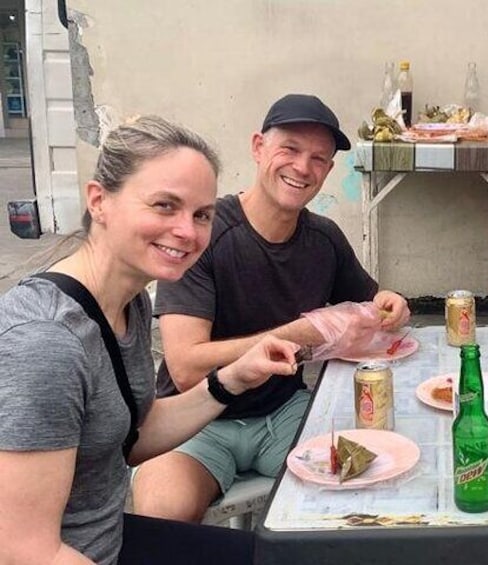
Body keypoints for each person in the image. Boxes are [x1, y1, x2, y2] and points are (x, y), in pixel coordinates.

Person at [0, 116, 302, 563]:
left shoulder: (129, 301)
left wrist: (232, 379)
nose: (188, 231)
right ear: (99, 201)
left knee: (298, 555)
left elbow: (130, 434)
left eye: (201, 215)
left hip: (113, 540)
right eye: (165, 205)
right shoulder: (46, 342)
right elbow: (23, 549)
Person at [132, 93, 410, 523]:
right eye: (290, 149)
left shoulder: (324, 238)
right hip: (194, 420)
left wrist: (390, 303)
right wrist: (303, 334)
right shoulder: (205, 232)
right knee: (161, 518)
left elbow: (369, 302)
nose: (302, 168)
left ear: (328, 171)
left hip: (284, 412)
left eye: (318, 158)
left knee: (367, 497)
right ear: (258, 147)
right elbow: (185, 366)